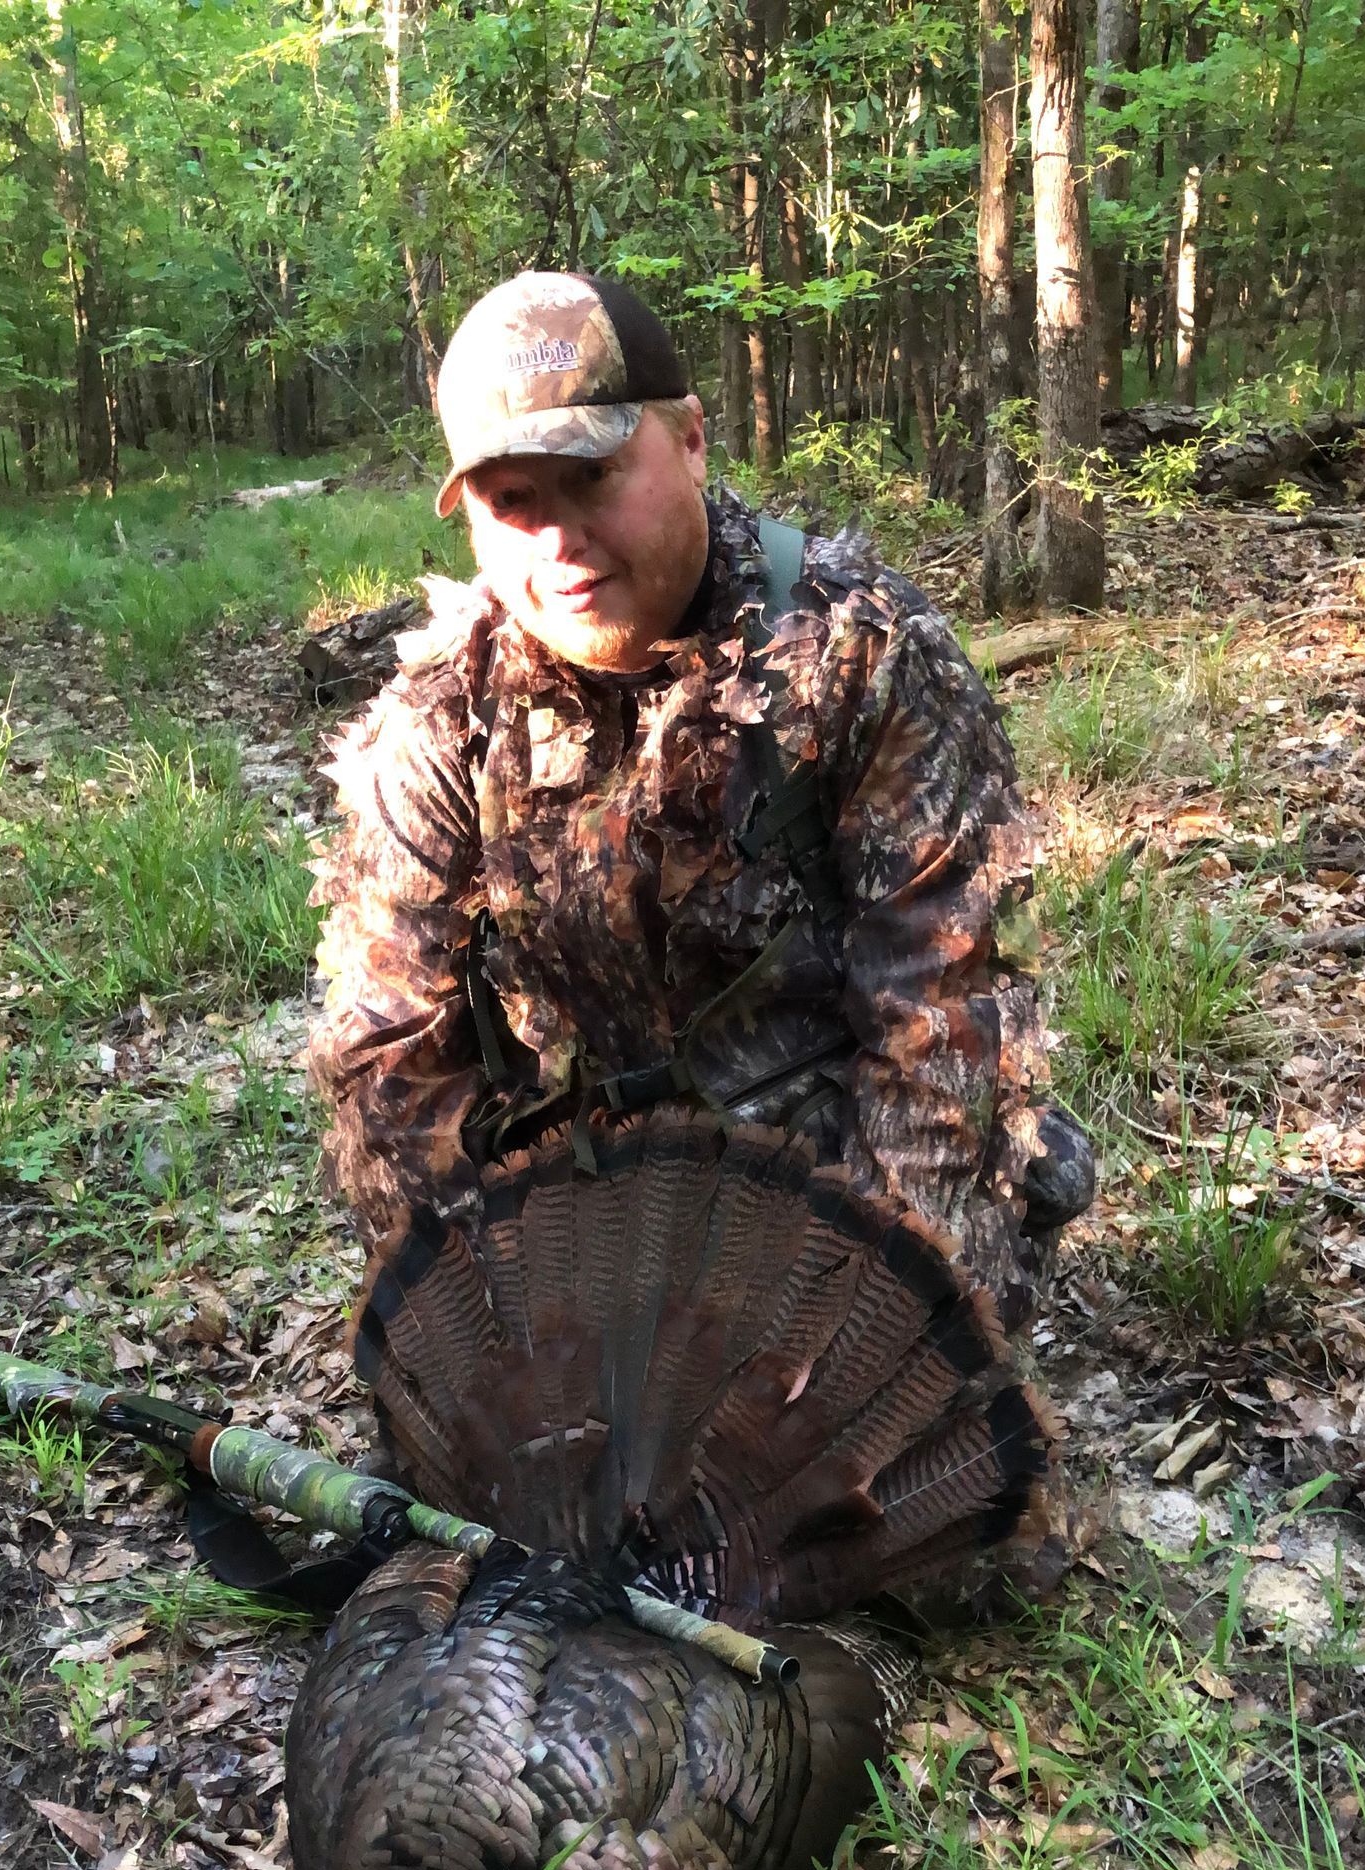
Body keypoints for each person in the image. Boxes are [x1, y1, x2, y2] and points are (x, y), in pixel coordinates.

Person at [308, 270, 1093, 1334]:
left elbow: (941, 1039)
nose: (556, 540)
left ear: (689, 440)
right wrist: (511, 1339)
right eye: (512, 501)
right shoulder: (444, 717)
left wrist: (846, 1347)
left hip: (831, 1186)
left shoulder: (860, 659)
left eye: (589, 476)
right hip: (581, 1215)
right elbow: (392, 1066)